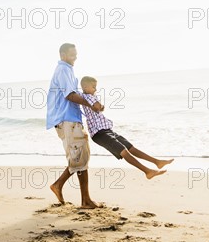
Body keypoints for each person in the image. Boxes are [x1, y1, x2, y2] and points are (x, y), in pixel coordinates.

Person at [80, 76, 174, 179]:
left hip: (106, 130)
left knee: (130, 147)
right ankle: (148, 171)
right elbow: (99, 106)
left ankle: (157, 162)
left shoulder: (90, 96)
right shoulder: (88, 96)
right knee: (124, 150)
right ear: (85, 87)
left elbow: (100, 107)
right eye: (93, 87)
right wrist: (100, 106)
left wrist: (100, 106)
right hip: (99, 133)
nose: (96, 89)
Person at [46, 43, 103, 209]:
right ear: (63, 55)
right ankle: (72, 193)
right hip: (67, 120)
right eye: (72, 54)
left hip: (69, 119)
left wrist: (91, 101)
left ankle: (82, 198)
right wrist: (90, 104)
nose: (75, 57)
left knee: (80, 157)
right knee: (79, 158)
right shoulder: (63, 70)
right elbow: (70, 95)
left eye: (76, 54)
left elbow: (73, 94)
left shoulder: (67, 70)